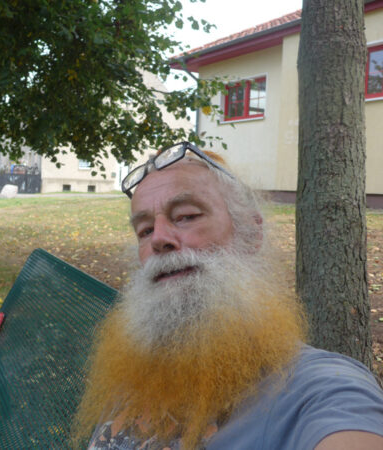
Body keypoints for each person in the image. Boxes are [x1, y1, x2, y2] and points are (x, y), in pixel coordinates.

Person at [74, 142, 383, 449]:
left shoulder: (318, 391)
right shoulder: (134, 364)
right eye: (144, 230)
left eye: (186, 216)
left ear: (251, 232)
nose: (159, 239)